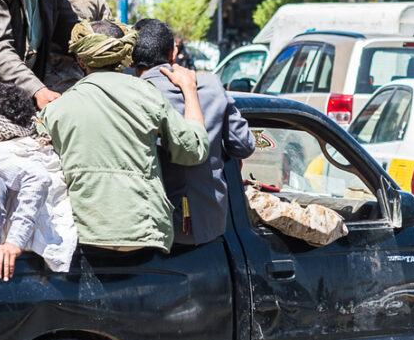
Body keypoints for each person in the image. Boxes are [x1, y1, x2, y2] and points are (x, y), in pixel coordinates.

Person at [37, 21, 209, 253]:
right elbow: (193, 150)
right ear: (125, 57)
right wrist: (189, 89)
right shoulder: (147, 95)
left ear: (80, 60)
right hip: (145, 235)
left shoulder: (55, 110)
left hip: (84, 235)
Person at [133, 17, 255, 246]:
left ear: (130, 59)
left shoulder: (130, 93)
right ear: (173, 53)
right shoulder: (210, 84)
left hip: (153, 229)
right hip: (209, 226)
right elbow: (244, 145)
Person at [0, 82, 78, 277]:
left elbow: (38, 179)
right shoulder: (43, 147)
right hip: (62, 251)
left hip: (30, 260)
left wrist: (14, 242)